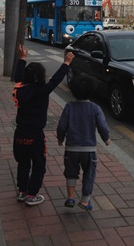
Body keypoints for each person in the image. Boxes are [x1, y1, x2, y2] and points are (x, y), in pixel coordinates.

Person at [12, 45, 74, 206]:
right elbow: (56, 79)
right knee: (39, 165)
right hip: (35, 136)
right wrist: (66, 63)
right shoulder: (42, 91)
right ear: (41, 78)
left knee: (23, 164)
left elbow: (18, 76)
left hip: (19, 134)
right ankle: (32, 195)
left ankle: (22, 191)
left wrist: (22, 58)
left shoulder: (19, 89)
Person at [57, 76, 111, 211]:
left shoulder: (69, 107)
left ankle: (70, 197)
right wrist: (106, 139)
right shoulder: (95, 108)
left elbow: (62, 126)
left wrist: (60, 138)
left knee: (71, 172)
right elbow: (102, 126)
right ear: (92, 91)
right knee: (89, 173)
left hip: (71, 148)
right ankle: (85, 201)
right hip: (89, 149)